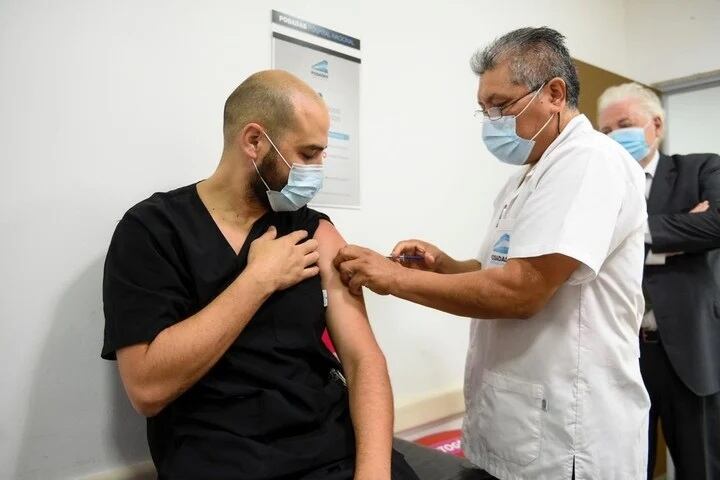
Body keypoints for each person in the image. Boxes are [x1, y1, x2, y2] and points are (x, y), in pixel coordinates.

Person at [333, 27, 651, 480]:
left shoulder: (589, 161)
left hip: (569, 434)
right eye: (484, 110)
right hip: (516, 422)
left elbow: (521, 292)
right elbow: (497, 271)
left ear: (555, 94)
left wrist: (392, 279)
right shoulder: (527, 175)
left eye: (501, 105)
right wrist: (445, 267)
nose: (492, 122)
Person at [101, 70, 421, 480]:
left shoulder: (316, 230)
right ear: (254, 141)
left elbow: (363, 361)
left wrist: (374, 473)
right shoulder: (151, 231)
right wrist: (257, 281)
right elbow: (147, 389)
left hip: (330, 448)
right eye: (307, 154)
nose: (318, 169)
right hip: (220, 459)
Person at [598, 82, 720, 480]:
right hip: (623, 353)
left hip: (691, 349)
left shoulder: (701, 168)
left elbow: (715, 224)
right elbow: (590, 253)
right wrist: (682, 229)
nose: (615, 136)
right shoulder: (601, 188)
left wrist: (630, 234)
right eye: (605, 131)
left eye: (624, 124)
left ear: (656, 124)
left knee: (699, 465)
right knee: (631, 468)